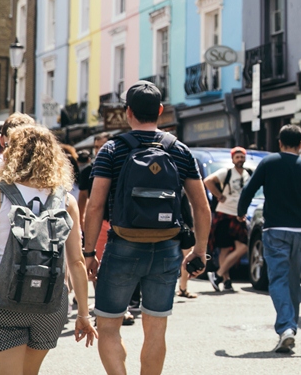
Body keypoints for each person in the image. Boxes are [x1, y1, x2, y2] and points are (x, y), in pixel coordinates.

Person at [83, 82, 211, 375]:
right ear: (161, 111)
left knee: (109, 325)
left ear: (128, 112)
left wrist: (89, 251)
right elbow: (201, 206)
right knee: (156, 329)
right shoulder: (179, 151)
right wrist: (199, 250)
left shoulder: (112, 149)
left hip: (122, 246)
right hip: (167, 248)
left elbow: (95, 205)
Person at [0, 125, 97, 371]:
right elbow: (76, 262)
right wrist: (83, 314)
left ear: (12, 154)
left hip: (2, 300)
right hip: (50, 304)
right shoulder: (66, 199)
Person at [238, 124, 301, 352]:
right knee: (293, 280)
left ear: (279, 143)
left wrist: (241, 210)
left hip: (275, 230)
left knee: (278, 280)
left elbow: (249, 189)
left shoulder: (268, 163)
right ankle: (290, 328)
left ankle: (286, 328)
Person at [203, 147, 251, 293]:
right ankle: (226, 281)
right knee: (224, 249)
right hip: (224, 213)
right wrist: (219, 195)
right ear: (232, 159)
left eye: (242, 157)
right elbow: (208, 181)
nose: (240, 160)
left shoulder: (247, 174)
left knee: (242, 247)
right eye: (237, 157)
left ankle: (217, 275)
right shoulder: (227, 172)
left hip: (238, 215)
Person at [77, 132, 110, 221]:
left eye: (102, 146)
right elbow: (83, 197)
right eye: (96, 147)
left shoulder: (120, 167)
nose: (98, 150)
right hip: (98, 220)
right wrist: (80, 221)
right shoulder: (87, 170)